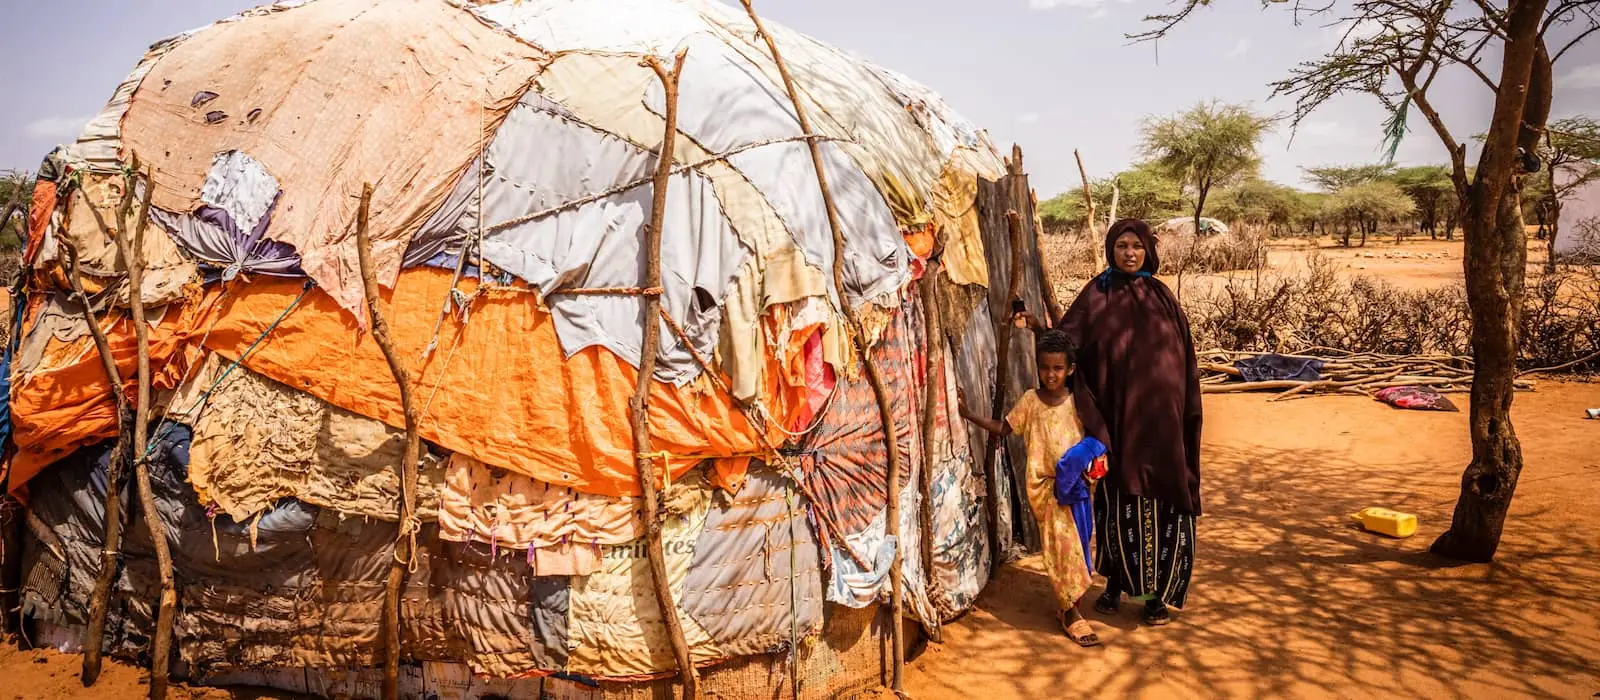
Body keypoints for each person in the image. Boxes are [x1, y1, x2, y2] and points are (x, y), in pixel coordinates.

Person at [1019, 218, 1202, 627]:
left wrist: (1182, 407)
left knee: (1161, 502)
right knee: (1118, 505)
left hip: (1163, 423)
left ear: (1148, 251)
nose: (1130, 253)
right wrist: (1038, 327)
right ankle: (1117, 583)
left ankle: (1154, 596)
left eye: (1136, 246)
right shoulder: (1096, 295)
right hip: (1119, 423)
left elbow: (1184, 358)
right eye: (1122, 246)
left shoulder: (1162, 297)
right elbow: (1067, 344)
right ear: (1110, 249)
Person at [958, 329, 1105, 647]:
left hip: (1077, 488)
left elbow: (1095, 437)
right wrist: (969, 415)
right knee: (1062, 550)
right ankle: (1070, 614)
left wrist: (1088, 461)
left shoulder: (1078, 401)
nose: (1050, 375)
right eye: (1045, 367)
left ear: (1070, 369)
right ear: (1038, 367)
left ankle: (1071, 604)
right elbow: (1004, 428)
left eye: (1057, 368)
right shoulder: (1030, 401)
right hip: (1047, 490)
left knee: (1079, 547)